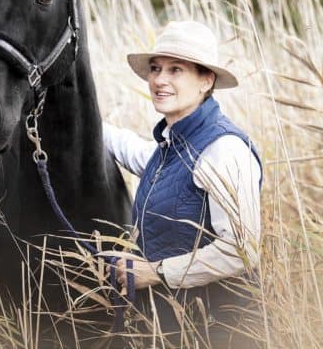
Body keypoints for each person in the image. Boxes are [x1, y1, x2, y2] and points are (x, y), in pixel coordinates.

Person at [103, 21, 263, 347]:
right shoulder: (170, 150)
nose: (160, 80)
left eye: (176, 70)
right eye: (155, 68)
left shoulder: (224, 149)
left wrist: (157, 272)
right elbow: (132, 150)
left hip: (219, 329)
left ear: (206, 80)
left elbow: (242, 251)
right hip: (173, 325)